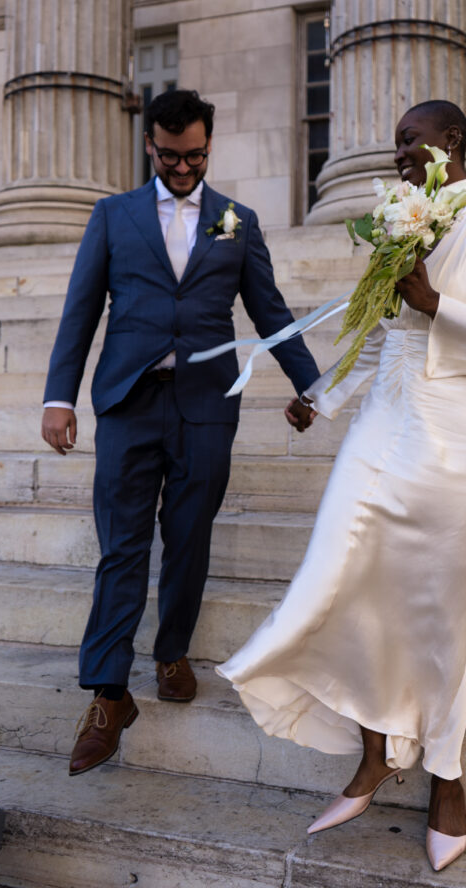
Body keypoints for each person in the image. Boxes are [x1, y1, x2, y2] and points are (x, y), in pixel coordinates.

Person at [219, 99, 466, 871]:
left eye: (409, 140)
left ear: (451, 142)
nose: (397, 152)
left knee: (440, 607)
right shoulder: (402, 220)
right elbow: (381, 334)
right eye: (398, 142)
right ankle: (374, 750)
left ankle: (444, 774)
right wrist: (322, 399)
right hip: (385, 425)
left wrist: (438, 303)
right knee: (340, 573)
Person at [42, 88, 320, 777]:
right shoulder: (113, 216)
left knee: (189, 539)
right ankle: (107, 695)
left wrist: (310, 383)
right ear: (149, 146)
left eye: (194, 155)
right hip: (128, 404)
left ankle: (171, 651)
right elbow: (80, 311)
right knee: (122, 548)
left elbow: (269, 309)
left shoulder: (236, 220)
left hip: (204, 407)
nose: (183, 167)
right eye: (171, 156)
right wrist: (58, 396)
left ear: (208, 146)